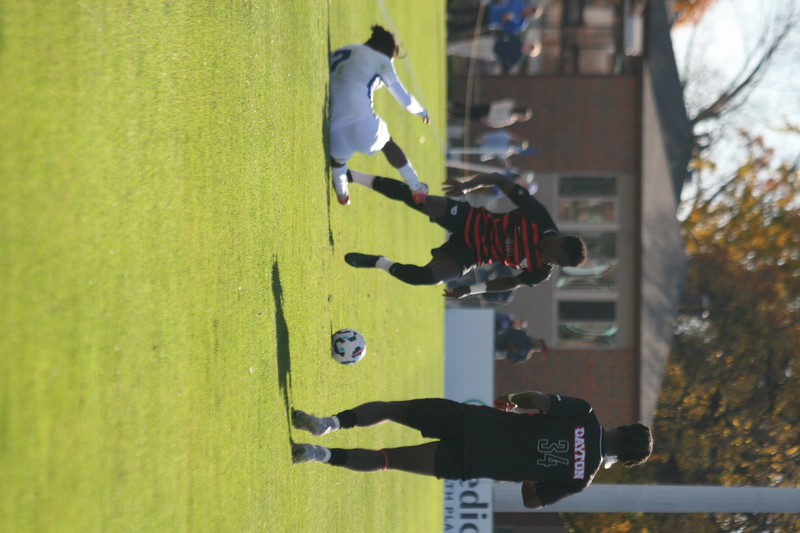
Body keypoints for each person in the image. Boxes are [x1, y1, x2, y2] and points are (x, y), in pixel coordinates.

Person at [291, 391, 653, 509]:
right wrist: (531, 466)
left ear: (623, 427)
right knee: (390, 460)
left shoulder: (585, 414)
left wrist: (511, 401)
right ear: (624, 459)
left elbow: (537, 399)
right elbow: (532, 501)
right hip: (471, 461)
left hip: (475, 424)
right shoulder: (580, 478)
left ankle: (328, 424)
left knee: (391, 410)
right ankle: (317, 454)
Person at [342, 171, 586, 299]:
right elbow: (500, 180)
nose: (554, 263)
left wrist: (471, 290)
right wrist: (466, 187)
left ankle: (378, 262)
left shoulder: (540, 272)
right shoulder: (539, 217)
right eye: (559, 257)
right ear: (561, 241)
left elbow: (511, 282)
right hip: (471, 220)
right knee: (418, 200)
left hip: (472, 254)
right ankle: (353, 176)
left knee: (428, 277)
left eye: (559, 265)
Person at [329, 25, 430, 206]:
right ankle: (416, 187)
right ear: (384, 50)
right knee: (387, 142)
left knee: (338, 160)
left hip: (335, 129)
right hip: (362, 126)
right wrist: (422, 111)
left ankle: (342, 193)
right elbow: (405, 100)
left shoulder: (344, 50)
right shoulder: (381, 60)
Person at [449, 99, 533, 129]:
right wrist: (487, 116)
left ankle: (450, 115)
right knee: (468, 108)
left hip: (487, 120)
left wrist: (489, 123)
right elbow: (497, 106)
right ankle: (451, 105)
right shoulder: (510, 105)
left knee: (468, 117)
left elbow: (500, 124)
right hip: (487, 110)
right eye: (523, 117)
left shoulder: (512, 120)